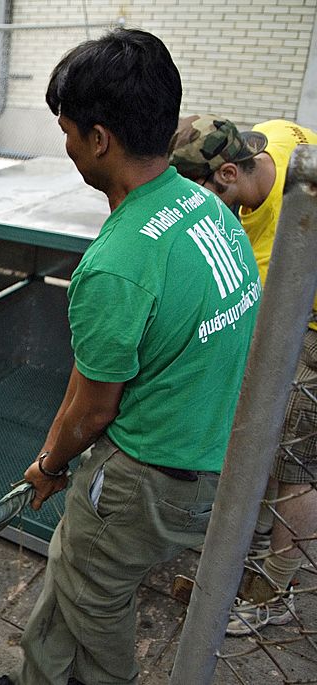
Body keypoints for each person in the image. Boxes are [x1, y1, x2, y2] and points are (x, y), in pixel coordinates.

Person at [0, 29, 259, 685]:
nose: (64, 145)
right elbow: (97, 377)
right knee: (73, 565)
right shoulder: (204, 206)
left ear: (98, 139)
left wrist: (49, 461)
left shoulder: (117, 264)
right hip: (213, 450)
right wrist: (55, 449)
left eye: (66, 130)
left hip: (151, 475)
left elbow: (94, 410)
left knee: (96, 608)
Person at [169, 115, 317, 636]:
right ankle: (250, 544)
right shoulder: (271, 134)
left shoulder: (280, 248)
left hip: (314, 325)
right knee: (268, 430)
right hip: (296, 309)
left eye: (200, 193)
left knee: (298, 456)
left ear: (229, 173)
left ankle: (277, 588)